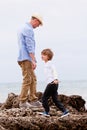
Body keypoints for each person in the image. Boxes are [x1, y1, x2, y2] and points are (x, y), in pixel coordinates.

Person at [17, 13, 43, 108]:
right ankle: (23, 102)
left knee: (33, 78)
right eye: (38, 24)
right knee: (27, 79)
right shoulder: (28, 29)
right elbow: (29, 45)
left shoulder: (22, 27)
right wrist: (33, 60)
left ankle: (33, 99)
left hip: (23, 57)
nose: (38, 26)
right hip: (26, 57)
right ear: (35, 20)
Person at [40, 48, 69, 117]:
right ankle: (65, 111)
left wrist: (56, 79)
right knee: (55, 99)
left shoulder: (49, 63)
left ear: (48, 56)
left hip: (52, 83)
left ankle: (46, 112)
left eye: (44, 55)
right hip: (53, 84)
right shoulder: (46, 64)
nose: (42, 56)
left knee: (44, 98)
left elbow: (54, 71)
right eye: (42, 54)